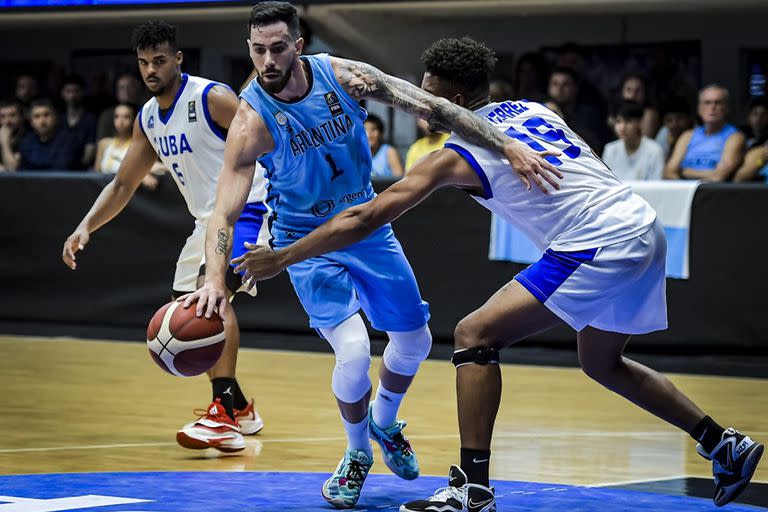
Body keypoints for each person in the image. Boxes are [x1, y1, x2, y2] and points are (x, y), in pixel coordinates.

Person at [231, 37, 764, 512]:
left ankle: (471, 488)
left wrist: (282, 256)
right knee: (602, 362)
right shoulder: (534, 109)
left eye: (429, 96)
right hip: (643, 227)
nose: (421, 104)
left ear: (455, 103)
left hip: (597, 240)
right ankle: (723, 443)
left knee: (473, 335)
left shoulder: (454, 156)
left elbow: (366, 216)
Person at [182, 5, 560, 509]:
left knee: (416, 340)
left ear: (298, 46)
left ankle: (383, 421)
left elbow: (436, 107)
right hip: (305, 242)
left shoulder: (345, 76)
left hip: (367, 227)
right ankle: (356, 452)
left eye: (277, 48)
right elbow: (223, 213)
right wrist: (213, 278)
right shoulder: (250, 121)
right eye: (257, 50)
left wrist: (508, 146)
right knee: (356, 352)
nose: (267, 60)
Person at [61, 20, 267, 453]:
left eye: (159, 60)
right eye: (143, 63)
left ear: (178, 59)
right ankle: (240, 407)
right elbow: (122, 184)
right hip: (204, 222)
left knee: (208, 298)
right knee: (191, 310)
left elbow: (268, 138)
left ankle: (223, 414)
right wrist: (86, 226)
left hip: (249, 207)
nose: (151, 70)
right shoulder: (149, 118)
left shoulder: (212, 97)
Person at [664, 85, 745, 182]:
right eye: (707, 103)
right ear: (699, 108)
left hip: (713, 193)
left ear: (727, 108)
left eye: (718, 103)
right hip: (685, 192)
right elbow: (668, 172)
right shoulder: (688, 136)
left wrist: (684, 172)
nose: (712, 107)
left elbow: (719, 176)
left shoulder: (735, 137)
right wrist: (708, 173)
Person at [602, 101, 665, 181]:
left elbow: (657, 186)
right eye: (618, 121)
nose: (622, 127)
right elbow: (605, 183)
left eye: (628, 121)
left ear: (640, 123)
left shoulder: (654, 151)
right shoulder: (610, 149)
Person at [16, 99, 81, 171]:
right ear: (31, 122)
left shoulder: (69, 139)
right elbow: (22, 170)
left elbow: (61, 166)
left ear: (55, 118)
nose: (42, 121)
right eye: (37, 116)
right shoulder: (26, 141)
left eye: (46, 115)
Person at [365, 113, 403, 178]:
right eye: (364, 130)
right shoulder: (354, 154)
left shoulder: (389, 152)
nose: (369, 135)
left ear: (381, 133)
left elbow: (399, 179)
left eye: (373, 129)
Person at [0, 100, 26, 171]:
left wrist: (4, 142)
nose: (7, 121)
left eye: (12, 115)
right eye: (2, 116)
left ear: (21, 117)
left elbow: (12, 169)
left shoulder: (27, 139)